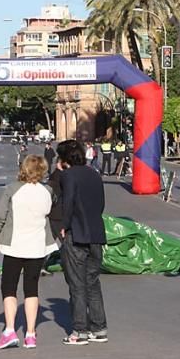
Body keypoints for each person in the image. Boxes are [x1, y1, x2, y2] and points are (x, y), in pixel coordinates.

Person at [0, 155, 58, 350]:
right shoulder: (48, 191)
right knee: (31, 289)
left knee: (9, 287)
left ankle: (10, 330)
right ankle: (31, 334)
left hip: (14, 246)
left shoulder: (12, 189)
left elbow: (0, 216)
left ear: (24, 169)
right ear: (42, 170)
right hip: (37, 247)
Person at [56, 139, 108, 345]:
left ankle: (79, 331)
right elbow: (101, 204)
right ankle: (99, 327)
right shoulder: (95, 174)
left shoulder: (68, 175)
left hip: (76, 233)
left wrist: (64, 225)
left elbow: (67, 201)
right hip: (96, 233)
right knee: (93, 282)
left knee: (77, 283)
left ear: (64, 158)